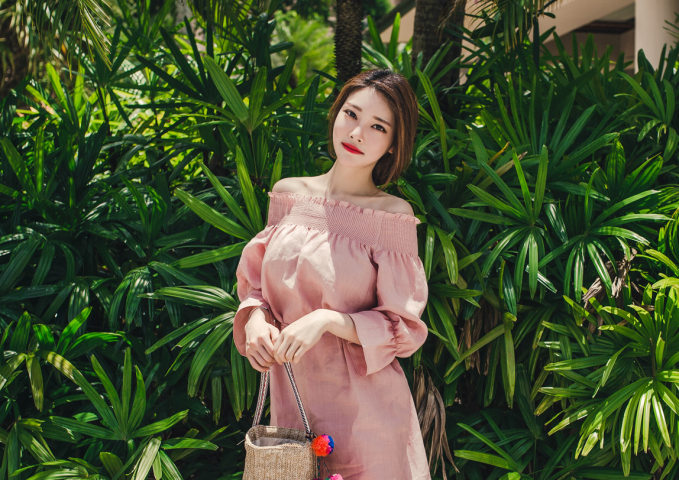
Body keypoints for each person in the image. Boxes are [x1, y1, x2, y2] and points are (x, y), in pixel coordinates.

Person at [233, 69, 430, 479]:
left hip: (368, 415)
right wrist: (254, 320)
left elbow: (403, 327)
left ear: (394, 144)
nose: (357, 133)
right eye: (351, 114)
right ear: (336, 114)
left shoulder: (391, 217)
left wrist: (325, 320)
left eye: (378, 126)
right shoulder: (288, 195)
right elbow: (257, 286)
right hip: (293, 407)